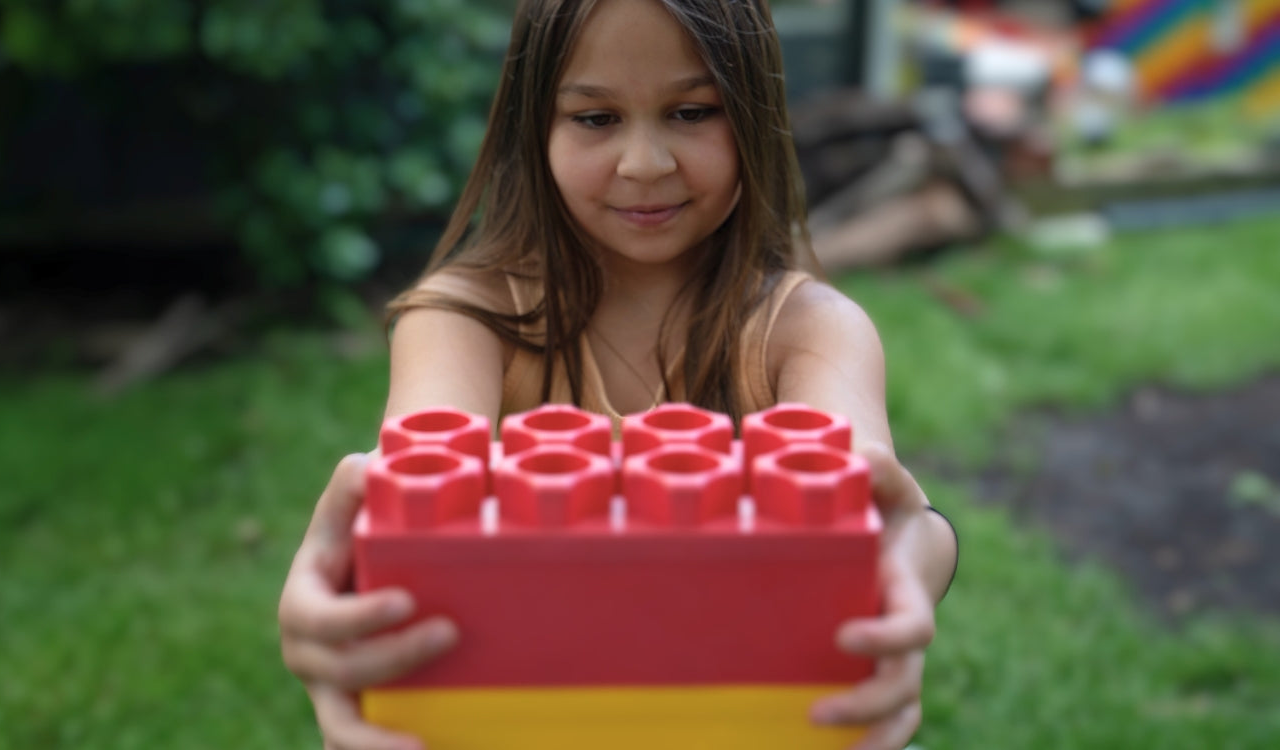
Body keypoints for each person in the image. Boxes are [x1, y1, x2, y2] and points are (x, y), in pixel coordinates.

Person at [277, 1, 959, 749]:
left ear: (755, 113)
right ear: (534, 126)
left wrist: (914, 561)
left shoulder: (807, 330)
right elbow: (411, 496)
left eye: (692, 111)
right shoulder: (463, 323)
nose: (644, 163)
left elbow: (885, 509)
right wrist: (339, 578)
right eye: (595, 119)